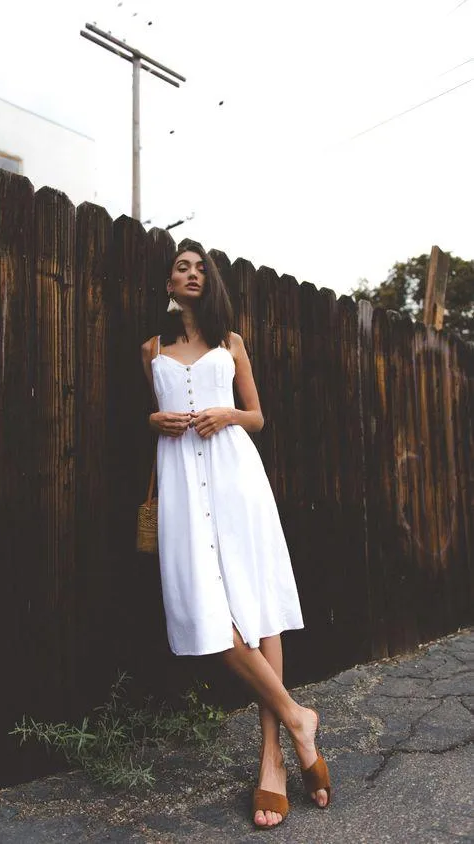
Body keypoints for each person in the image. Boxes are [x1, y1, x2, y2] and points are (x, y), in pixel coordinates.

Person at [140, 241, 331, 828]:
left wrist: (226, 414)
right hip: (180, 482)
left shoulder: (232, 343)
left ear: (211, 281)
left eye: (201, 268)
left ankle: (272, 760)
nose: (192, 274)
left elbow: (257, 416)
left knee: (259, 607)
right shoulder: (151, 349)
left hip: (234, 476)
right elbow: (155, 411)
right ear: (169, 284)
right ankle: (298, 717)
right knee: (206, 612)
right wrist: (155, 419)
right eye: (182, 267)